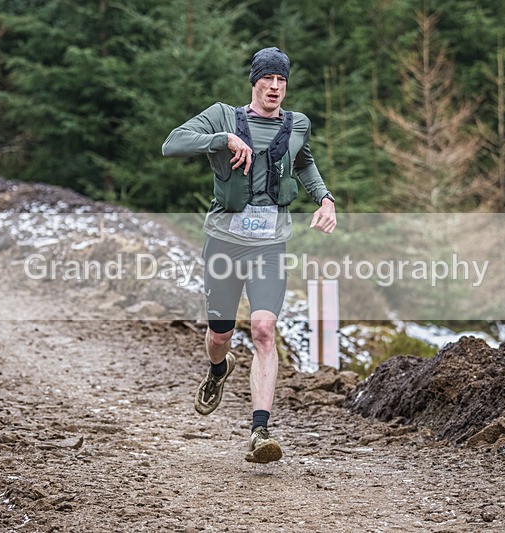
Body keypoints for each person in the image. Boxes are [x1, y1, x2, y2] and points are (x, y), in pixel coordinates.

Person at [162, 47, 336, 463]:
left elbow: (304, 163)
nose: (275, 87)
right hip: (223, 241)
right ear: (254, 81)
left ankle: (260, 430)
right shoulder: (223, 115)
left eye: (282, 81)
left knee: (262, 328)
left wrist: (325, 199)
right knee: (220, 335)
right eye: (268, 79)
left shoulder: (297, 125)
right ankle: (219, 370)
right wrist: (222, 139)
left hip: (270, 244)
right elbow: (173, 143)